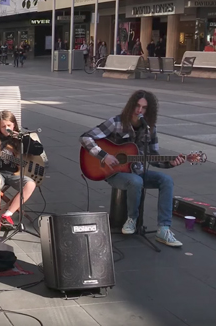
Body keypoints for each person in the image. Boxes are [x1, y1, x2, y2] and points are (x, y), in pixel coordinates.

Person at [79, 90, 185, 248]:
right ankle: (132, 219)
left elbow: (153, 156)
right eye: (137, 106)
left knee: (166, 180)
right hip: (114, 173)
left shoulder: (150, 128)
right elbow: (85, 137)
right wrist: (104, 155)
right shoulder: (116, 122)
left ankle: (164, 229)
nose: (139, 110)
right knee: (136, 181)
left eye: (144, 108)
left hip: (137, 171)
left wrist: (171, 163)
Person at [0, 110, 44, 235]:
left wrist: (24, 140)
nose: (7, 128)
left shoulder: (21, 138)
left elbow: (39, 149)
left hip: (16, 173)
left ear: (14, 125)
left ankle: (7, 215)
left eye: (9, 125)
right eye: (3, 126)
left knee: (31, 184)